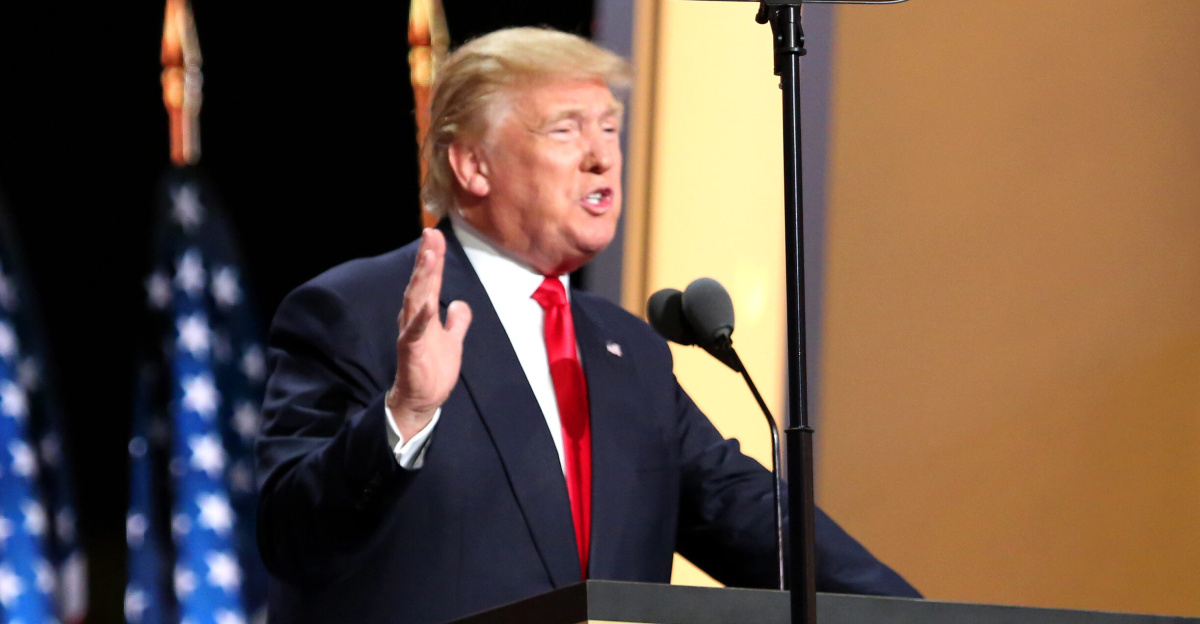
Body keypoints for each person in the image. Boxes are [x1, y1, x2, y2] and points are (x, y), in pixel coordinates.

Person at [256, 27, 919, 624]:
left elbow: (742, 512)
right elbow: (291, 538)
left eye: (610, 127)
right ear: (472, 165)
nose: (603, 156)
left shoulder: (629, 349)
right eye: (566, 130)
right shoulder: (357, 312)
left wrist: (920, 618)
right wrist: (403, 415)